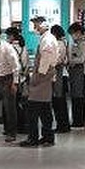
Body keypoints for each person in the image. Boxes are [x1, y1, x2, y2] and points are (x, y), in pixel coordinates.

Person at [21, 16, 59, 147]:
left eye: (36, 25)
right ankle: (48, 137)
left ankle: (33, 138)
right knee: (44, 109)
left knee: (33, 109)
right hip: (46, 76)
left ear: (42, 25)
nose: (34, 28)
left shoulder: (47, 39)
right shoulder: (47, 38)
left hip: (43, 76)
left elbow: (45, 60)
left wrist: (37, 77)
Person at [50, 25, 71, 134]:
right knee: (60, 102)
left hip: (58, 76)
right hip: (61, 75)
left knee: (59, 102)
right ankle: (63, 125)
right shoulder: (64, 42)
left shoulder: (59, 44)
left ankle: (62, 125)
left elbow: (57, 60)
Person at [68, 22, 85, 130]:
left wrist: (71, 61)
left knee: (79, 98)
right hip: (74, 72)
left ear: (78, 32)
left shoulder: (83, 44)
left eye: (73, 33)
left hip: (80, 73)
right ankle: (76, 121)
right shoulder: (76, 43)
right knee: (75, 97)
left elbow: (82, 59)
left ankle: (79, 122)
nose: (72, 36)